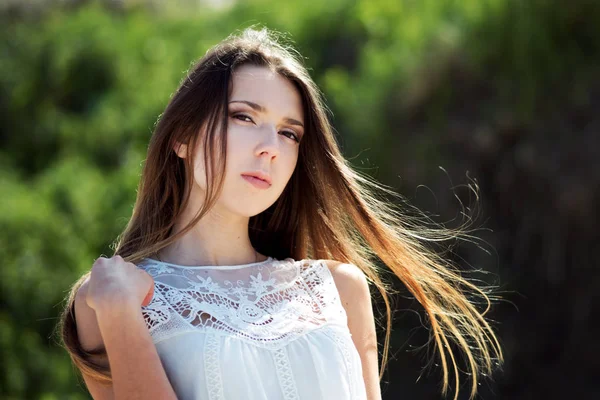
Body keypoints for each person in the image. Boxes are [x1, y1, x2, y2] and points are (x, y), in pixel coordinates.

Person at [58, 27, 502, 400]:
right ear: (183, 137)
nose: (270, 147)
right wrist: (118, 311)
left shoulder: (338, 289)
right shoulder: (109, 299)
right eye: (244, 117)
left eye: (289, 133)